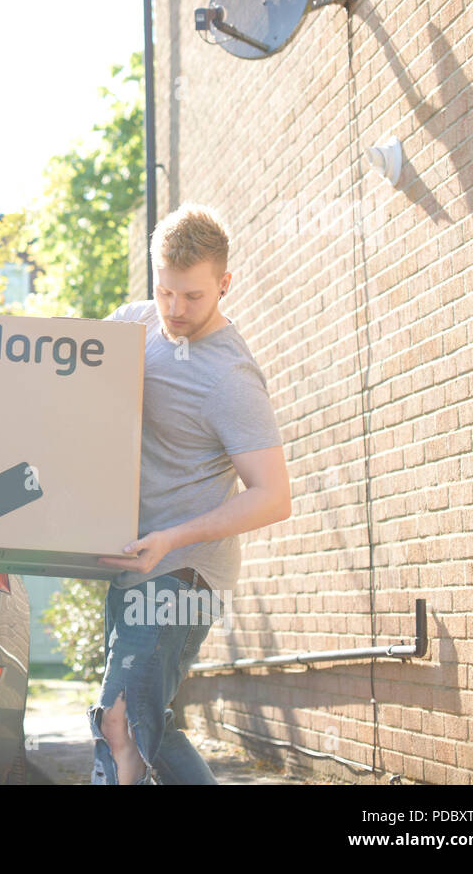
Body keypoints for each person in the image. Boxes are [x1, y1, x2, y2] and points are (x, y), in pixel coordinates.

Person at [90, 203, 292, 785]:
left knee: (122, 721)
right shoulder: (136, 324)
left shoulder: (231, 378)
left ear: (224, 285)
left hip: (185, 571)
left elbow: (273, 496)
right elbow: (63, 370)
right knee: (143, 723)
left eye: (193, 297)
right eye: (165, 292)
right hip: (132, 563)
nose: (175, 311)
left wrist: (172, 537)